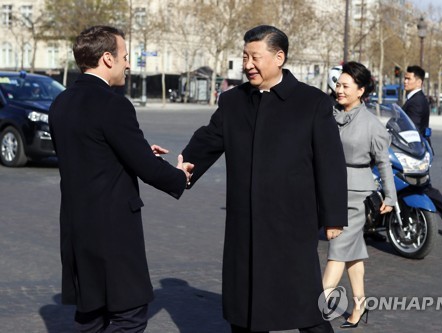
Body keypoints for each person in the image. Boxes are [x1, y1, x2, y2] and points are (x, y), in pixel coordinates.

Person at [182, 25, 348, 333]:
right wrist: (186, 164)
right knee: (245, 310)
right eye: (244, 56)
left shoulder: (312, 103)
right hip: (244, 225)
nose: (247, 65)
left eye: (254, 57)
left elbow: (331, 163)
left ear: (279, 57)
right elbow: (208, 139)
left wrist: (334, 216)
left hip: (292, 225)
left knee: (307, 308)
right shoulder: (233, 102)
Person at [49, 26, 193, 332]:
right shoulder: (113, 103)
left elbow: (92, 153)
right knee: (129, 316)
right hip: (112, 230)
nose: (129, 63)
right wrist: (179, 176)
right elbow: (148, 169)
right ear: (107, 59)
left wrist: (137, 150)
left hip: (76, 227)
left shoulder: (61, 103)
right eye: (125, 57)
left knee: (91, 316)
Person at [322, 62, 397, 329]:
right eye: (338, 85)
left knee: (338, 250)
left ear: (361, 90)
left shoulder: (372, 125)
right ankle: (360, 305)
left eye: (345, 86)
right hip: (331, 189)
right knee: (353, 254)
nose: (339, 90)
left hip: (356, 195)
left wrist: (390, 196)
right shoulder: (330, 114)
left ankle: (315, 307)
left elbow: (383, 163)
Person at [403, 65, 442, 236]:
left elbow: (412, 129)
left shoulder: (416, 101)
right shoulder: (416, 98)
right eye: (404, 78)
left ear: (418, 81)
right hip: (417, 149)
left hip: (414, 151)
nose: (404, 81)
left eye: (408, 79)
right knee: (422, 186)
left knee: (419, 186)